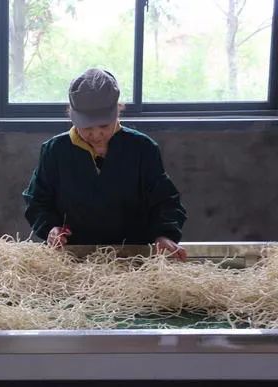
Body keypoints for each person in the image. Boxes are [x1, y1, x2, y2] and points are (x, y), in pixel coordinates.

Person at [23, 68, 187, 260]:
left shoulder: (142, 149)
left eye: (104, 126)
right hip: (73, 257)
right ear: (71, 115)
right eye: (87, 127)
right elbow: (37, 200)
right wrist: (50, 228)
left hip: (132, 258)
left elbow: (165, 200)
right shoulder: (55, 151)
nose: (96, 134)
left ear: (118, 111)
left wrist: (164, 234)